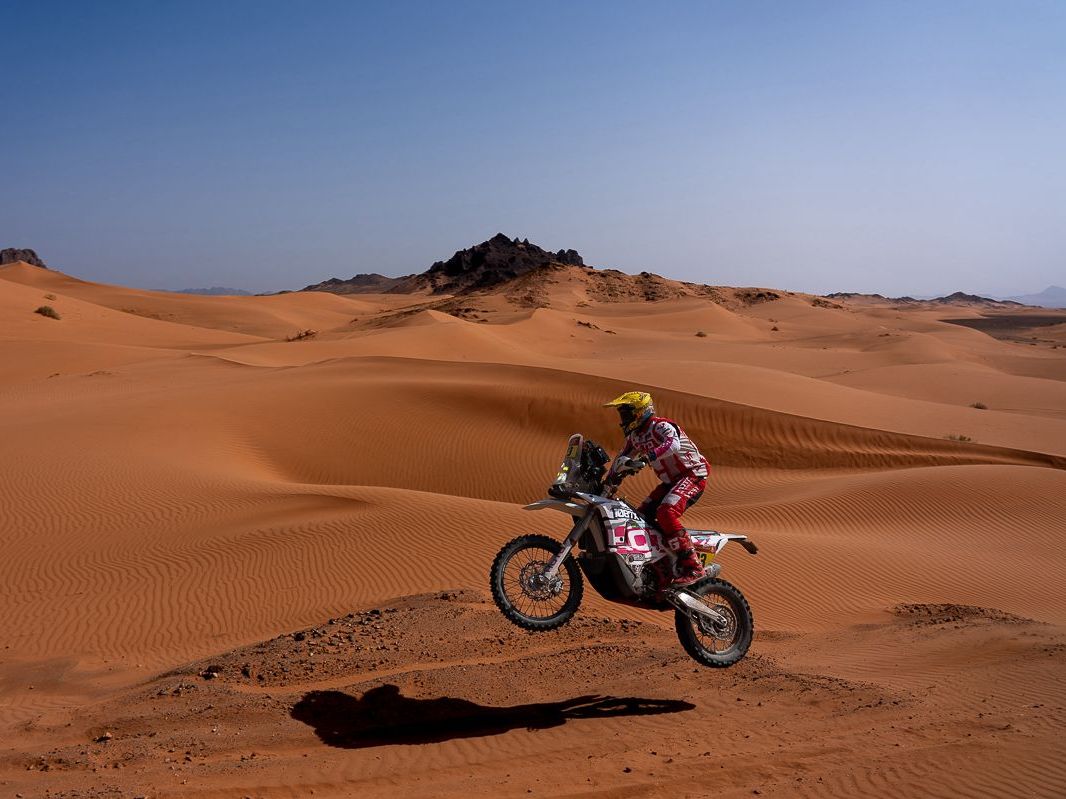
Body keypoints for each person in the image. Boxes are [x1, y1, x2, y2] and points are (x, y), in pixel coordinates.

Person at [604, 391, 709, 586]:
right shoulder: (635, 437)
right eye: (622, 415)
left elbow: (673, 445)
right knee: (640, 517)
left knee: (666, 512)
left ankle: (694, 567)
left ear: (640, 412)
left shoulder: (661, 426)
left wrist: (647, 458)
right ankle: (664, 562)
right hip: (671, 482)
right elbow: (620, 460)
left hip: (692, 475)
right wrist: (608, 483)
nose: (623, 419)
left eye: (626, 414)